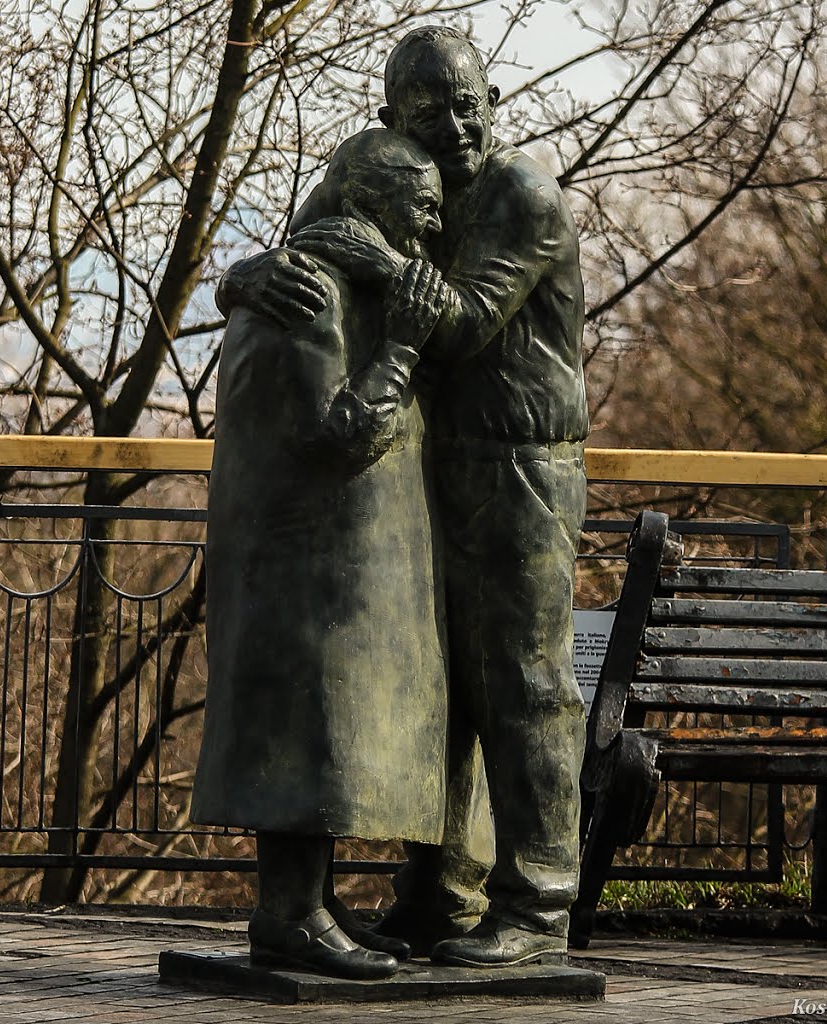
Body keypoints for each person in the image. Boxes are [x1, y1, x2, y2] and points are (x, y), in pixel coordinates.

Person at [219, 26, 590, 969]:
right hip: (428, 467)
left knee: (522, 683)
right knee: (448, 687)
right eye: (433, 115)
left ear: (493, 101)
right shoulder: (392, 177)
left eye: (470, 107)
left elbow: (457, 321)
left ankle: (538, 905)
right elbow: (302, 251)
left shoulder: (518, 193)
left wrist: (375, 263)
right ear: (396, 120)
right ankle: (440, 893)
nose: (458, 130)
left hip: (518, 466)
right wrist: (244, 277)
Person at [191, 128, 451, 980]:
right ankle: (290, 914)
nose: (430, 231)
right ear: (371, 203)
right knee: (308, 722)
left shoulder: (316, 277)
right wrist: (405, 345)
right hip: (302, 557)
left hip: (312, 555)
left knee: (324, 725)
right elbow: (338, 433)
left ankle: (311, 905)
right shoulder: (311, 289)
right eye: (420, 210)